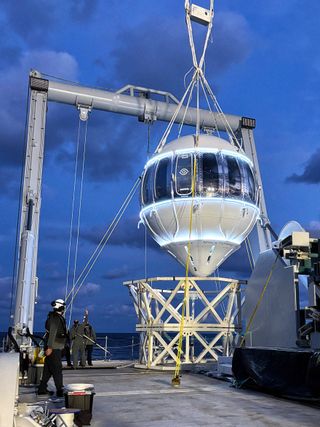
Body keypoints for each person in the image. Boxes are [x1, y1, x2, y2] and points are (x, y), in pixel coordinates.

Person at [38, 299, 67, 397]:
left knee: (48, 370)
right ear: (61, 307)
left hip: (54, 347)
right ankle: (59, 390)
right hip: (54, 348)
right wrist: (50, 347)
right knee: (57, 370)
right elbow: (53, 333)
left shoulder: (55, 317)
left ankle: (42, 389)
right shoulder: (55, 318)